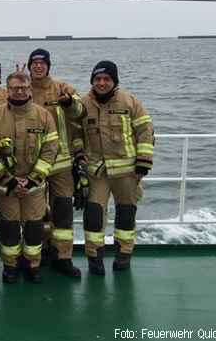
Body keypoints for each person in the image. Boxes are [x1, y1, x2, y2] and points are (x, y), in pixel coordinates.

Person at [79, 61, 154, 275]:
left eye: (106, 79)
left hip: (127, 173)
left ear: (114, 81)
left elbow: (145, 131)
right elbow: (75, 133)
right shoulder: (83, 103)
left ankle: (124, 254)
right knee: (93, 216)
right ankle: (95, 258)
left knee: (126, 214)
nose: (102, 83)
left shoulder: (130, 102)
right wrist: (79, 155)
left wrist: (143, 163)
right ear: (92, 81)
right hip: (97, 173)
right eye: (97, 79)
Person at [0, 72, 59, 283]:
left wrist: (32, 179)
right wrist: (8, 179)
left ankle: (32, 264)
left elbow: (50, 149)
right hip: (4, 186)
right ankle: (10, 266)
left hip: (34, 186)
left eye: (23, 88)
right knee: (9, 227)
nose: (19, 92)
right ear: (7, 90)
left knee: (34, 227)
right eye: (14, 88)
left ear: (29, 89)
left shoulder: (44, 116)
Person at [27, 48, 85, 277]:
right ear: (30, 65)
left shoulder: (63, 88)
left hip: (61, 163)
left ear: (48, 66)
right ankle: (40, 253)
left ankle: (63, 257)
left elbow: (80, 113)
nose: (38, 66)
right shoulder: (23, 89)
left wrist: (69, 102)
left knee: (62, 211)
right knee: (37, 212)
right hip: (33, 164)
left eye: (42, 63)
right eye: (35, 62)